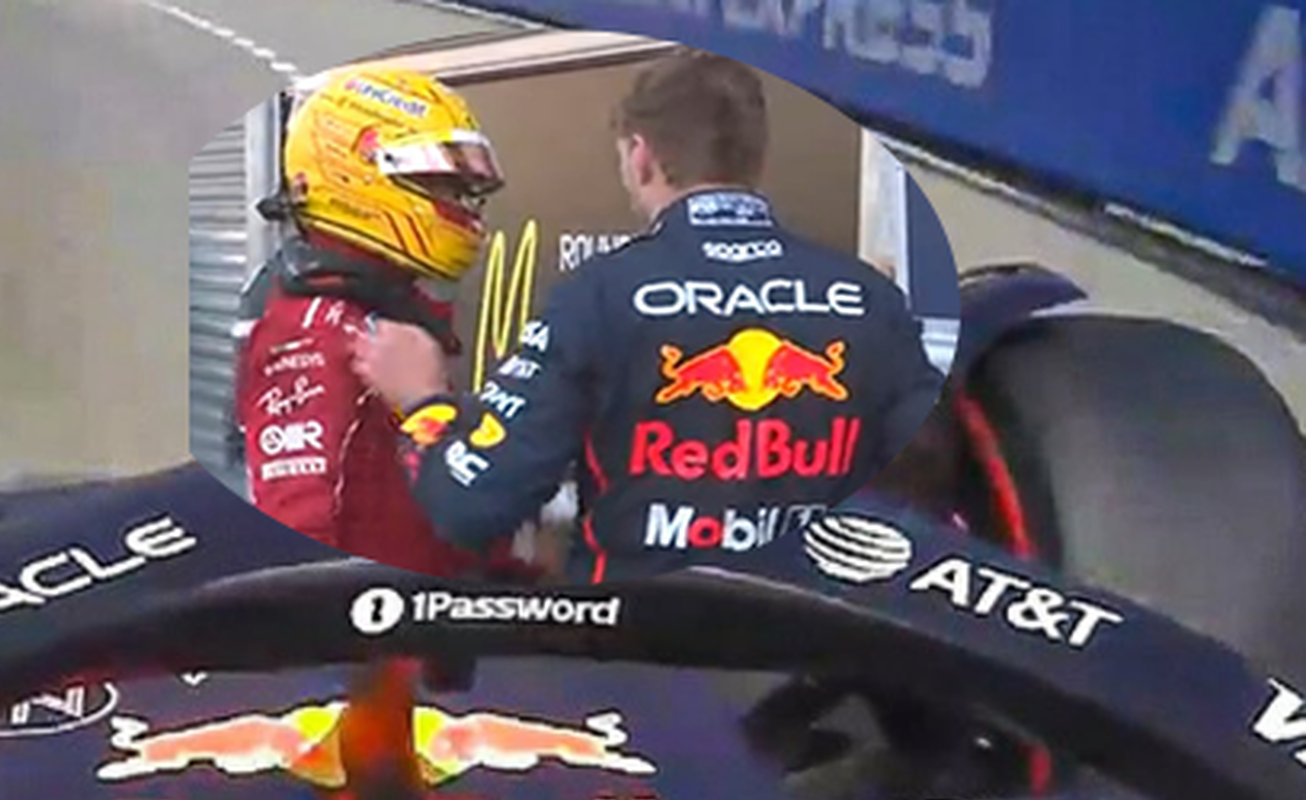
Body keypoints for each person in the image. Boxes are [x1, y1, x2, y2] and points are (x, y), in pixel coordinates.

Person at [356, 50, 945, 581]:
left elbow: (473, 503)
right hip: (824, 633)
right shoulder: (871, 299)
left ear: (640, 157)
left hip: (648, 639)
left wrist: (423, 403)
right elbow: (931, 479)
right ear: (753, 157)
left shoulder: (597, 296)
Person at [235, 66, 520, 579]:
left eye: (463, 188)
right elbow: (298, 547)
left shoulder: (388, 303)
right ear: (358, 175)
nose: (461, 205)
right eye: (441, 183)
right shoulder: (314, 332)